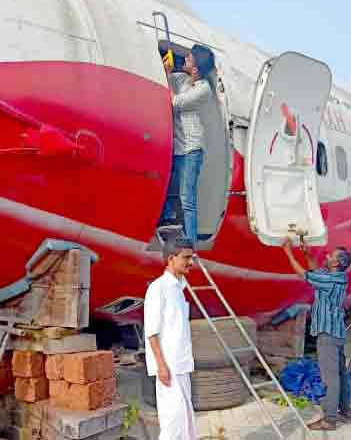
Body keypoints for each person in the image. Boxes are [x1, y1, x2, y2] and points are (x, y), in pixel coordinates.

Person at [281, 237, 351, 431]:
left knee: (330, 378)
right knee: (341, 374)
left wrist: (288, 252)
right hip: (337, 333)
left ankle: (329, 419)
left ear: (336, 263)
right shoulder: (339, 277)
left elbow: (304, 275)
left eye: (331, 256)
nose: (327, 256)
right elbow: (316, 273)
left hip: (327, 334)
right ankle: (345, 412)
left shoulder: (329, 280)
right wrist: (307, 254)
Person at [158, 44, 216, 245]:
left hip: (191, 148)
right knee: (169, 189)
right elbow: (166, 83)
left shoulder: (203, 90)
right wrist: (165, 71)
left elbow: (175, 103)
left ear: (196, 68)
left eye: (189, 58)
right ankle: (166, 220)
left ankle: (190, 242)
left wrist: (167, 74)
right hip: (177, 146)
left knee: (187, 198)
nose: (185, 59)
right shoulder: (183, 80)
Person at [143, 237, 198, 440]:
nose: (191, 262)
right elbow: (152, 331)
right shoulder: (158, 288)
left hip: (181, 365)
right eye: (186, 258)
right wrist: (161, 366)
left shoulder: (178, 289)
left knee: (186, 422)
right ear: (171, 259)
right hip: (169, 367)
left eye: (192, 258)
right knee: (172, 425)